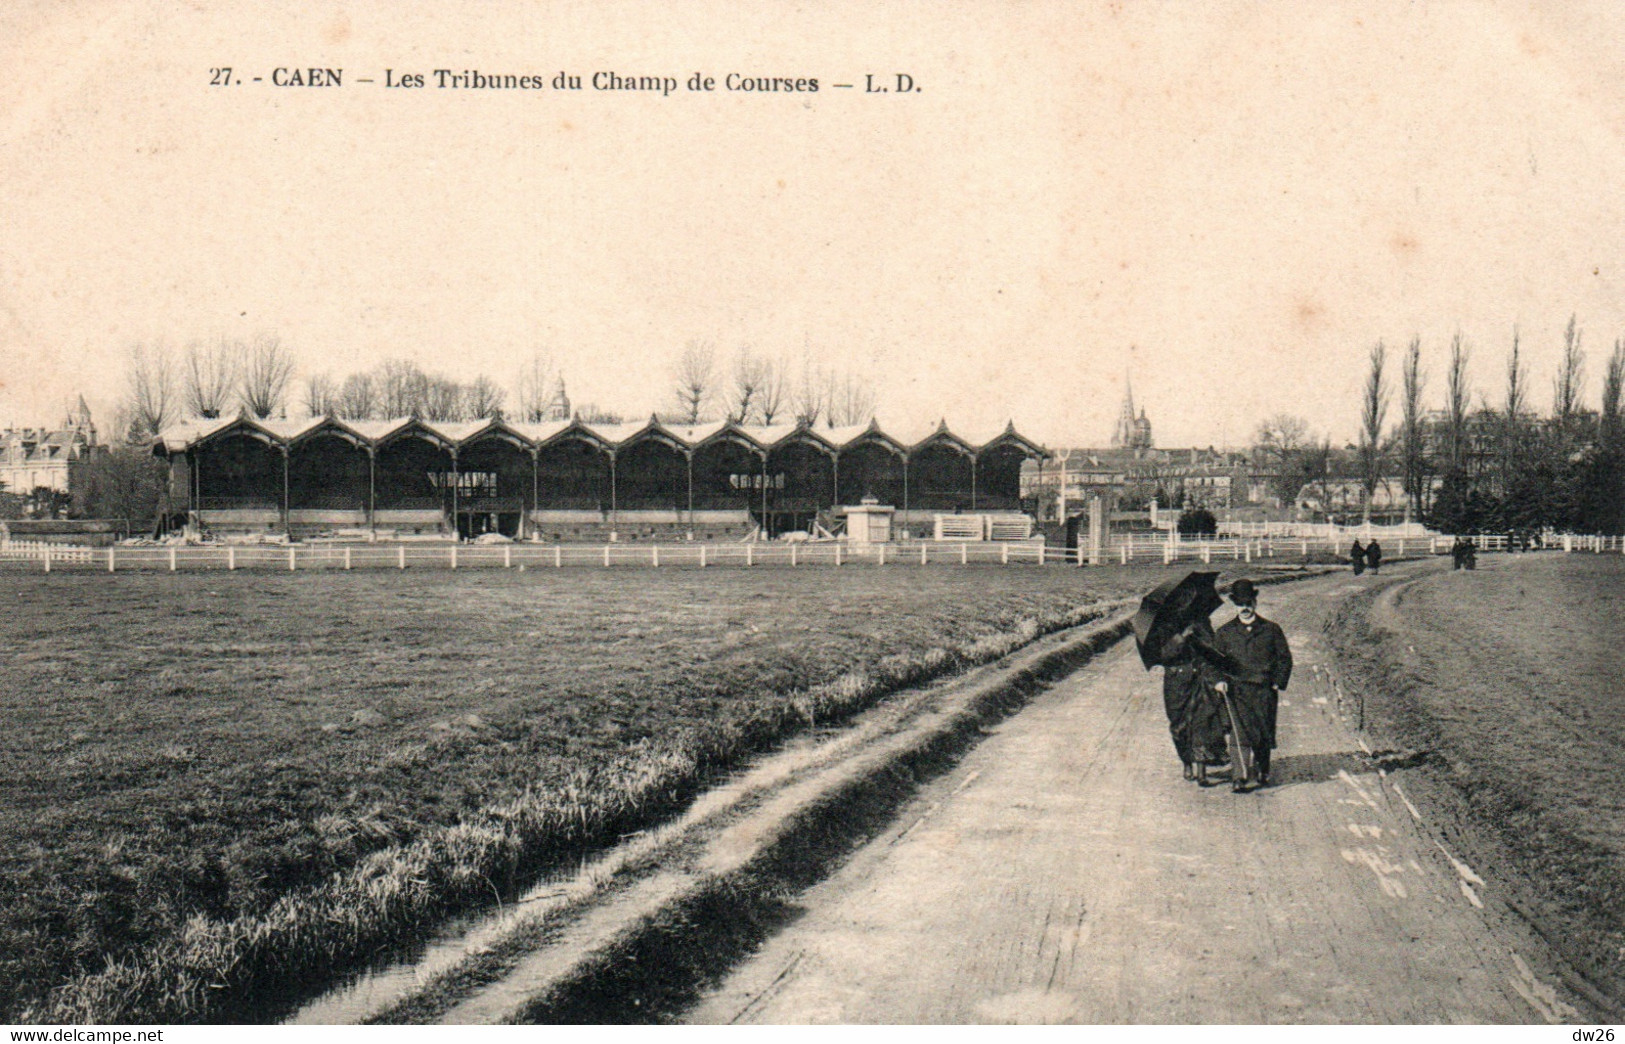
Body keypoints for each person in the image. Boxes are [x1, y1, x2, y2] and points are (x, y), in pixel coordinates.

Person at [1212, 578, 1293, 791]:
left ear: (1255, 603)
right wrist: (1219, 680)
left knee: (1263, 733)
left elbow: (1284, 658)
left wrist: (1277, 681)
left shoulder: (1271, 630)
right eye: (1240, 604)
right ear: (1235, 605)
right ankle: (1239, 777)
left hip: (1263, 690)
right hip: (1236, 691)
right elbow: (1214, 662)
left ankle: (1263, 769)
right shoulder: (1225, 632)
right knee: (1239, 734)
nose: (1245, 608)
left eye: (1248, 603)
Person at [1159, 617, 1226, 784]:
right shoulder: (1163, 625)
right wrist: (1181, 637)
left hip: (1199, 678)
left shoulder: (1201, 620)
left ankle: (1201, 771)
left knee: (1201, 723)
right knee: (1179, 727)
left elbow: (1212, 648)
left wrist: (1200, 637)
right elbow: (1163, 655)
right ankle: (1187, 762)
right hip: (1176, 684)